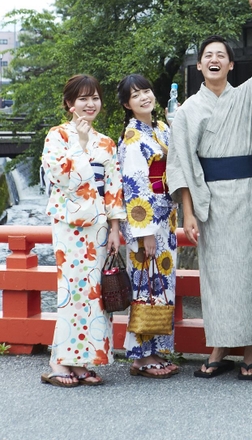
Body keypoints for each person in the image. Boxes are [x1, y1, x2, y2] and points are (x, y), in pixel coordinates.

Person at [166, 0, 252, 380]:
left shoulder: (247, 96)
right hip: (208, 198)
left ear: (231, 64)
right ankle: (217, 347)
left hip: (246, 193)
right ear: (199, 65)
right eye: (207, 55)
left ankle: (250, 348)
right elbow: (180, 162)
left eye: (222, 55)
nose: (214, 59)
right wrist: (188, 213)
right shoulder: (186, 111)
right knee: (214, 274)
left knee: (247, 268)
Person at [40, 74, 125, 388]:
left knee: (94, 295)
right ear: (69, 104)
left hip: (100, 227)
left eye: (95, 98)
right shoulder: (57, 136)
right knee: (71, 293)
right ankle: (58, 362)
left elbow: (113, 188)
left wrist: (115, 226)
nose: (90, 104)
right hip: (69, 225)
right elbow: (62, 179)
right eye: (82, 99)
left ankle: (81, 362)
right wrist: (80, 143)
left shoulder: (107, 142)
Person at [117, 74, 179, 379]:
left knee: (161, 287)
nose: (144, 97)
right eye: (136, 95)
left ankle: (155, 350)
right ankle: (141, 356)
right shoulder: (132, 137)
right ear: (128, 105)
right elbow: (135, 186)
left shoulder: (161, 128)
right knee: (145, 286)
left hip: (165, 218)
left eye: (146, 91)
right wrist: (145, 234)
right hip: (148, 223)